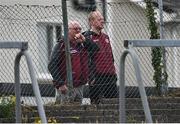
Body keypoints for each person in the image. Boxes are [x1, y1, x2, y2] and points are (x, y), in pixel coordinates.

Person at [48, 20, 98, 104]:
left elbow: (96, 49)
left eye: (80, 29)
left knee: (78, 111)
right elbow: (52, 65)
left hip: (79, 86)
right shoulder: (61, 44)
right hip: (66, 86)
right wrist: (60, 84)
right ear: (68, 30)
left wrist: (84, 40)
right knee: (64, 110)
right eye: (75, 29)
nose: (78, 31)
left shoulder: (81, 44)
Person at [84, 10, 118, 104]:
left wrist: (113, 72)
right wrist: (91, 76)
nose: (102, 21)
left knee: (113, 103)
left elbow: (111, 57)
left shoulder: (106, 37)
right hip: (97, 76)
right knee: (97, 103)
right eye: (99, 19)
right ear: (91, 22)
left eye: (102, 19)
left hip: (110, 75)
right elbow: (85, 59)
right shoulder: (87, 37)